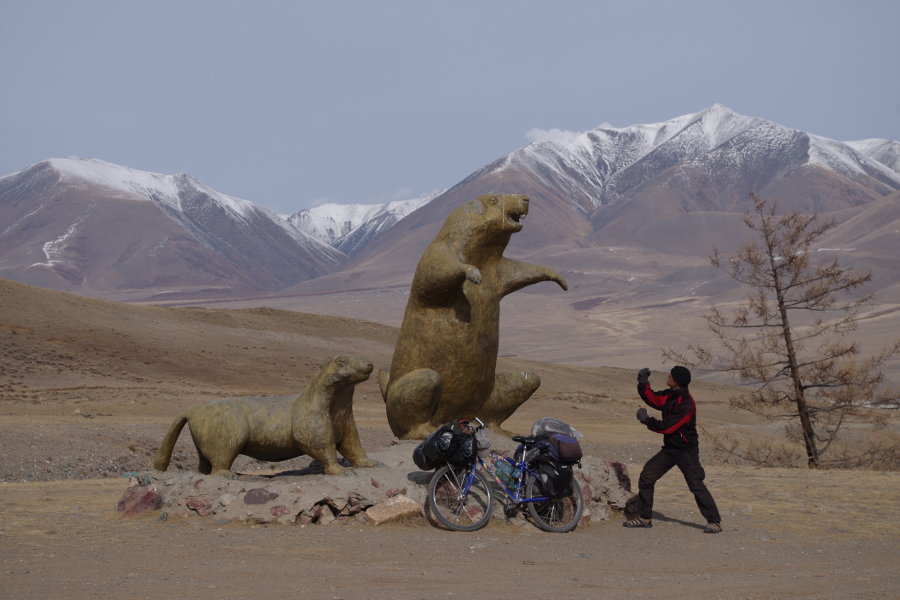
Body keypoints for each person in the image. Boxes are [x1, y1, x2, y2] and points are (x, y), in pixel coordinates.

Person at [623, 365, 722, 533]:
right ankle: (645, 518)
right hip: (670, 449)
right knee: (647, 477)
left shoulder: (686, 404)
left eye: (671, 376)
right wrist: (643, 382)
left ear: (676, 381)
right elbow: (653, 398)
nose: (668, 376)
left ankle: (715, 521)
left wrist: (646, 420)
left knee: (695, 484)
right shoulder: (670, 395)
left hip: (686, 450)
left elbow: (667, 428)